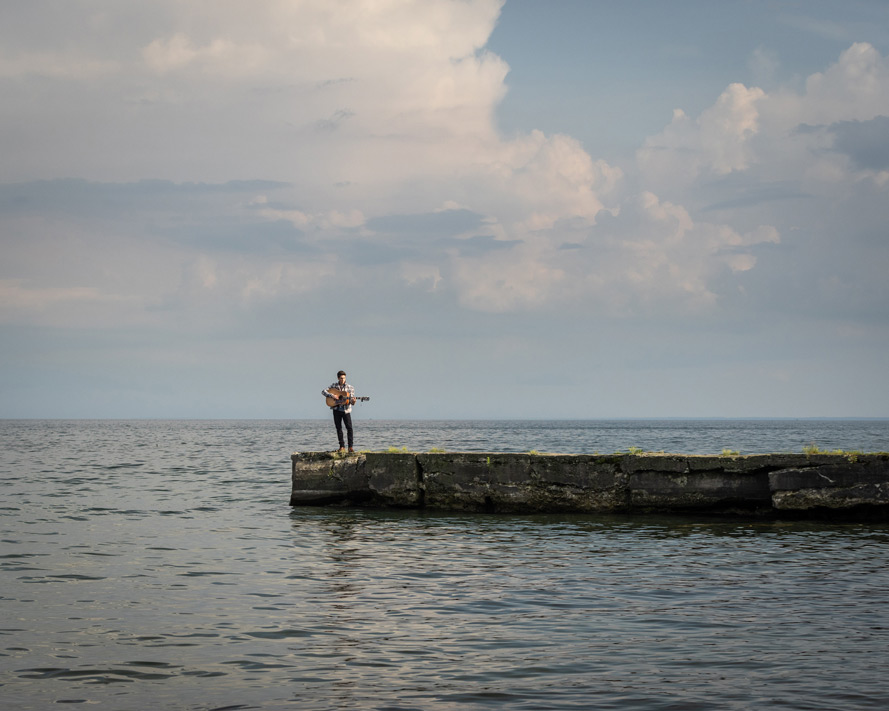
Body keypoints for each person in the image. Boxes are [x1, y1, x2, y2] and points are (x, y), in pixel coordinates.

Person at [322, 370, 356, 452]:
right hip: (336, 409)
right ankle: (342, 446)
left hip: (346, 410)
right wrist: (332, 395)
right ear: (338, 378)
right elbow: (323, 391)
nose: (343, 380)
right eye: (341, 378)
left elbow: (351, 400)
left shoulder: (350, 387)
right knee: (338, 428)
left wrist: (353, 401)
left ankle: (350, 447)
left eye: (344, 378)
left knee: (349, 428)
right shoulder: (334, 386)